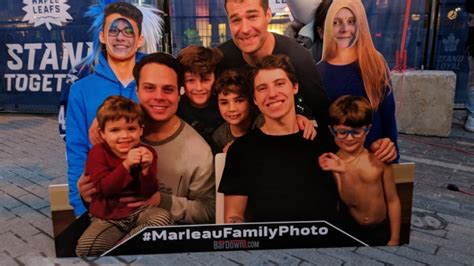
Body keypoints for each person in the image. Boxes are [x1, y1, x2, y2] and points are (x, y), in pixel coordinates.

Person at [79, 52, 215, 225]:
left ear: (179, 93)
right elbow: (94, 187)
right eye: (149, 88)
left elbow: (209, 211)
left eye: (168, 89)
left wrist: (161, 200)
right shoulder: (109, 133)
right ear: (137, 90)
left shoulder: (199, 152)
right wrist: (85, 195)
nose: (158, 96)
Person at [218, 55, 338, 223]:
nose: (272, 94)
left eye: (279, 84)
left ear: (295, 87)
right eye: (262, 88)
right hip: (264, 247)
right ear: (255, 99)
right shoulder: (241, 151)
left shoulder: (326, 141)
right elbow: (233, 216)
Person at [66, 2, 146, 216]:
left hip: (148, 200)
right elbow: (76, 152)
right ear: (102, 36)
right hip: (103, 203)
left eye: (128, 31)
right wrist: (80, 207)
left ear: (140, 40)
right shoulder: (80, 90)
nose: (120, 37)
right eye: (113, 30)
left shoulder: (154, 83)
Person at [75, 96, 171, 256]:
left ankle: (122, 246)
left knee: (163, 219)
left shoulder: (147, 152)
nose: (124, 136)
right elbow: (105, 189)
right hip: (107, 216)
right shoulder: (97, 153)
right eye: (115, 130)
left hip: (140, 211)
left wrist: (146, 170)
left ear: (141, 129)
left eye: (131, 129)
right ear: (103, 133)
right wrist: (126, 165)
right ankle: (128, 245)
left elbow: (148, 192)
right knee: (85, 248)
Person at [218, 0, 330, 126]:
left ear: (268, 15)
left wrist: (298, 117)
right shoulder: (221, 59)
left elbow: (322, 116)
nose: (245, 29)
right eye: (236, 20)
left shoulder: (298, 58)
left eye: (252, 17)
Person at [316, 0, 398, 162]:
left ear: (360, 24)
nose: (344, 29)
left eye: (351, 21)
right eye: (336, 22)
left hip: (374, 163)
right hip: (336, 166)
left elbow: (388, 115)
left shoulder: (375, 63)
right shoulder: (318, 71)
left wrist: (391, 149)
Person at [319, 95, 401, 246]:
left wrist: (395, 237)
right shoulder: (334, 163)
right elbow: (351, 201)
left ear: (368, 129)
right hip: (351, 229)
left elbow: (393, 199)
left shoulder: (379, 158)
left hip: (382, 227)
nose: (349, 138)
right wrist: (343, 172)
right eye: (342, 132)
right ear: (332, 130)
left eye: (356, 132)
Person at [176, 45, 224, 147]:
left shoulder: (225, 106)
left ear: (216, 78)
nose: (199, 88)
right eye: (190, 80)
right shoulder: (176, 110)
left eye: (205, 80)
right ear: (182, 82)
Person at [212, 69, 258, 153]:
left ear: (250, 102)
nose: (232, 109)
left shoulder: (262, 124)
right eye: (224, 103)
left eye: (239, 101)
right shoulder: (219, 137)